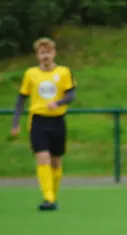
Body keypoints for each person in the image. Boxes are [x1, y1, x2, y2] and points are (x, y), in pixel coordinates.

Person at [11, 37, 77, 211]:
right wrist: (15, 122)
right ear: (37, 55)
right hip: (38, 120)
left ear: (54, 53)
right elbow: (21, 99)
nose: (45, 56)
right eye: (42, 53)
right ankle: (47, 198)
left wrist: (59, 103)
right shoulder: (31, 74)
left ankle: (53, 196)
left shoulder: (63, 72)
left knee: (55, 160)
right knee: (42, 157)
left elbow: (71, 95)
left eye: (48, 52)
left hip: (57, 120)